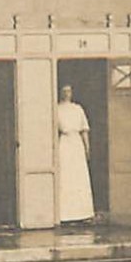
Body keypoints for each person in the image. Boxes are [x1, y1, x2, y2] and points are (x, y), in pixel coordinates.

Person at [55, 84, 95, 225]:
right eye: (64, 91)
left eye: (69, 91)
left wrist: (87, 147)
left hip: (76, 145)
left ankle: (83, 213)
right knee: (66, 177)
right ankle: (65, 214)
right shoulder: (56, 109)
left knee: (78, 177)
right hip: (64, 144)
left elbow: (84, 129)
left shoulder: (78, 109)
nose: (67, 93)